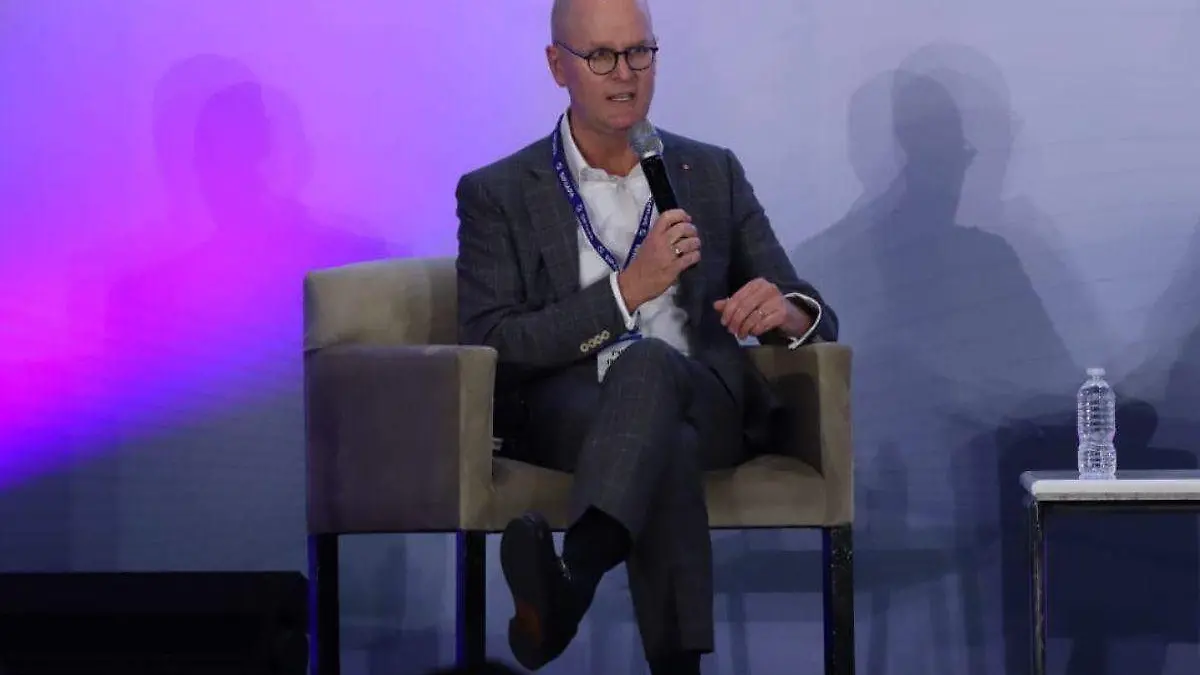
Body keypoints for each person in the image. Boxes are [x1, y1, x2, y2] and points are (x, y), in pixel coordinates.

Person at [454, 0, 838, 672]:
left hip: (707, 400)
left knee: (654, 368)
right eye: (602, 56)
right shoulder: (500, 192)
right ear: (558, 66)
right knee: (665, 440)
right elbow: (494, 344)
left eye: (640, 52)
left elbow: (816, 317)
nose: (626, 74)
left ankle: (572, 581)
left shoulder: (710, 172)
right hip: (570, 410)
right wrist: (626, 291)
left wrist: (786, 312)